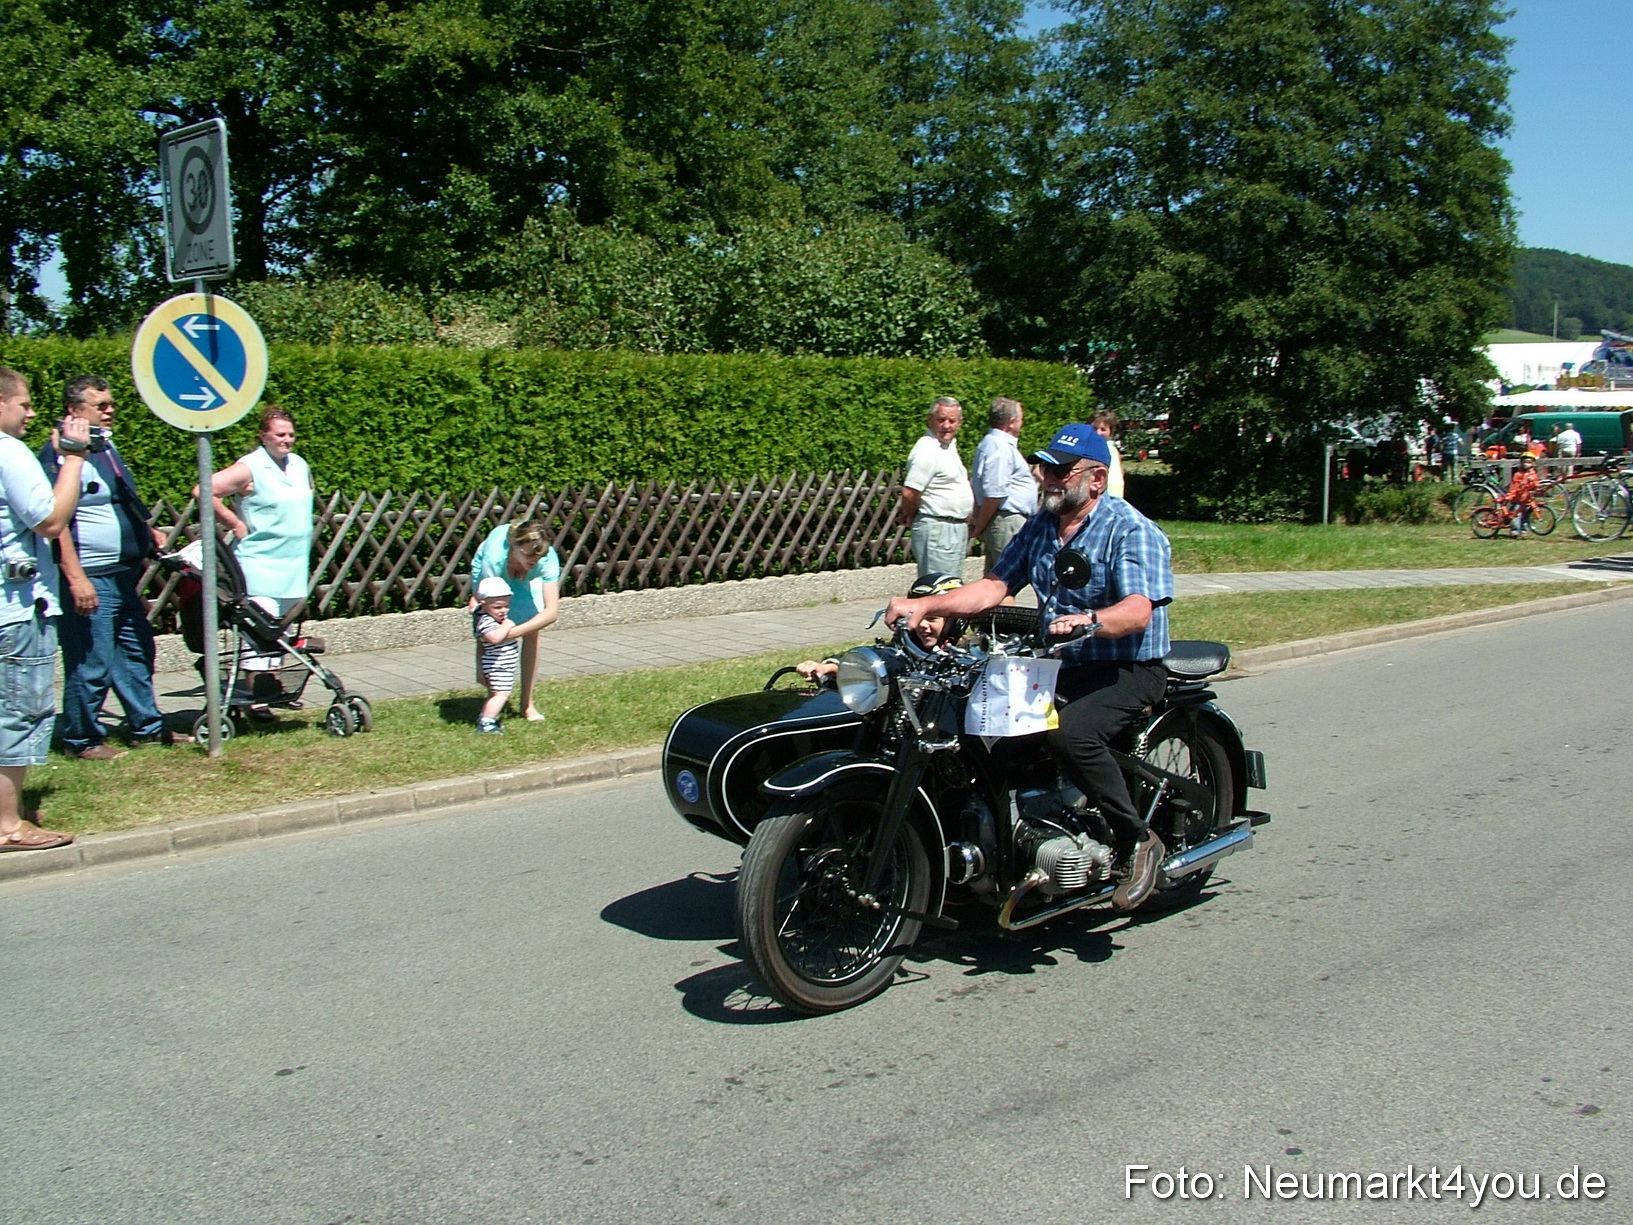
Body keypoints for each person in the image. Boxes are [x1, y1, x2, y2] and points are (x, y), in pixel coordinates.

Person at [886, 424, 1174, 912]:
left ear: (1096, 479)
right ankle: (1005, 846)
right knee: (974, 724)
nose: (1048, 479)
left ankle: (1138, 840)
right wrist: (931, 606)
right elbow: (995, 586)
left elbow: (1138, 610)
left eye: (1061, 471)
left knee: (1071, 735)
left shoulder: (1131, 529)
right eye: (1044, 469)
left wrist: (1092, 620)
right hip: (1061, 663)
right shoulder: (1041, 526)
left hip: (1127, 665)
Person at [40, 376, 187, 759]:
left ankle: (147, 727)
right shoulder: (60, 454)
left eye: (111, 404)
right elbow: (56, 522)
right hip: (90, 576)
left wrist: (145, 529)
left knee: (137, 651)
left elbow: (119, 499)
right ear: (74, 411)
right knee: (92, 660)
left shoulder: (105, 446)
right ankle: (82, 739)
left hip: (122, 575)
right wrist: (76, 578)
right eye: (100, 405)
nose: (110, 410)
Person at [0, 368, 92, 852]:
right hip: (14, 610)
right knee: (18, 712)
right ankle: (8, 824)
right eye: (24, 404)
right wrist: (73, 459)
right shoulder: (8, 451)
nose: (32, 413)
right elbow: (51, 521)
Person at [469, 518, 561, 721]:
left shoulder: (545, 560)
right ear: (514, 545)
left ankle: (527, 704)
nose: (533, 559)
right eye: (528, 554)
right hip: (495, 573)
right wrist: (479, 664)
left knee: (533, 629)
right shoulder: (494, 557)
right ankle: (493, 698)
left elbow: (551, 612)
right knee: (488, 618)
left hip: (527, 580)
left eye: (538, 555)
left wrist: (514, 632)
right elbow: (487, 622)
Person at [795, 574, 963, 682]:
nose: (922, 625)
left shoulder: (967, 653)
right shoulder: (908, 646)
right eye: (916, 617)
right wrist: (826, 668)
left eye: (932, 619)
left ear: (953, 622)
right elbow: (875, 661)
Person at [899, 396, 972, 579]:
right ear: (930, 419)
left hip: (953, 528)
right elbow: (909, 492)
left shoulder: (947, 447)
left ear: (960, 423)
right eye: (941, 420)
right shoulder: (927, 450)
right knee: (938, 590)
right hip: (938, 529)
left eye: (952, 421)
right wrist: (912, 515)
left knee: (950, 589)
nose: (946, 425)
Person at [968, 398, 1037, 578]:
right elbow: (994, 493)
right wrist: (980, 526)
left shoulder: (993, 444)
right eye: (1021, 419)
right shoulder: (999, 448)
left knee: (995, 579)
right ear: (1012, 422)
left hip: (1002, 519)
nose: (1022, 424)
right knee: (1005, 581)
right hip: (1005, 521)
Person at [471, 576, 521, 734]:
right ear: (484, 604)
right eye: (498, 607)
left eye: (506, 606)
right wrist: (507, 625)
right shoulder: (485, 621)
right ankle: (487, 722)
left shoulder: (486, 615)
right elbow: (494, 638)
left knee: (495, 694)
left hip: (500, 664)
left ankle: (485, 717)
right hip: (498, 665)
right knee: (502, 694)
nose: (503, 611)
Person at [1501, 454, 1542, 537]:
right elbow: (1514, 486)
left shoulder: (1533, 474)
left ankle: (1524, 530)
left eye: (1529, 462)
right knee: (1516, 515)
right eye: (1524, 462)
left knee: (1525, 516)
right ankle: (1515, 530)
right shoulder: (1518, 474)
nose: (1526, 464)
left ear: (1533, 463)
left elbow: (1536, 484)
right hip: (1518, 499)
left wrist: (1536, 485)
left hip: (1527, 499)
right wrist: (1510, 495)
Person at [1091, 409, 1126, 498]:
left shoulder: (1113, 450)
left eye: (1103, 429)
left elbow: (1121, 473)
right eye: (1094, 428)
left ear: (1110, 432)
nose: (1098, 433)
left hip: (1115, 499)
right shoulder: (1087, 451)